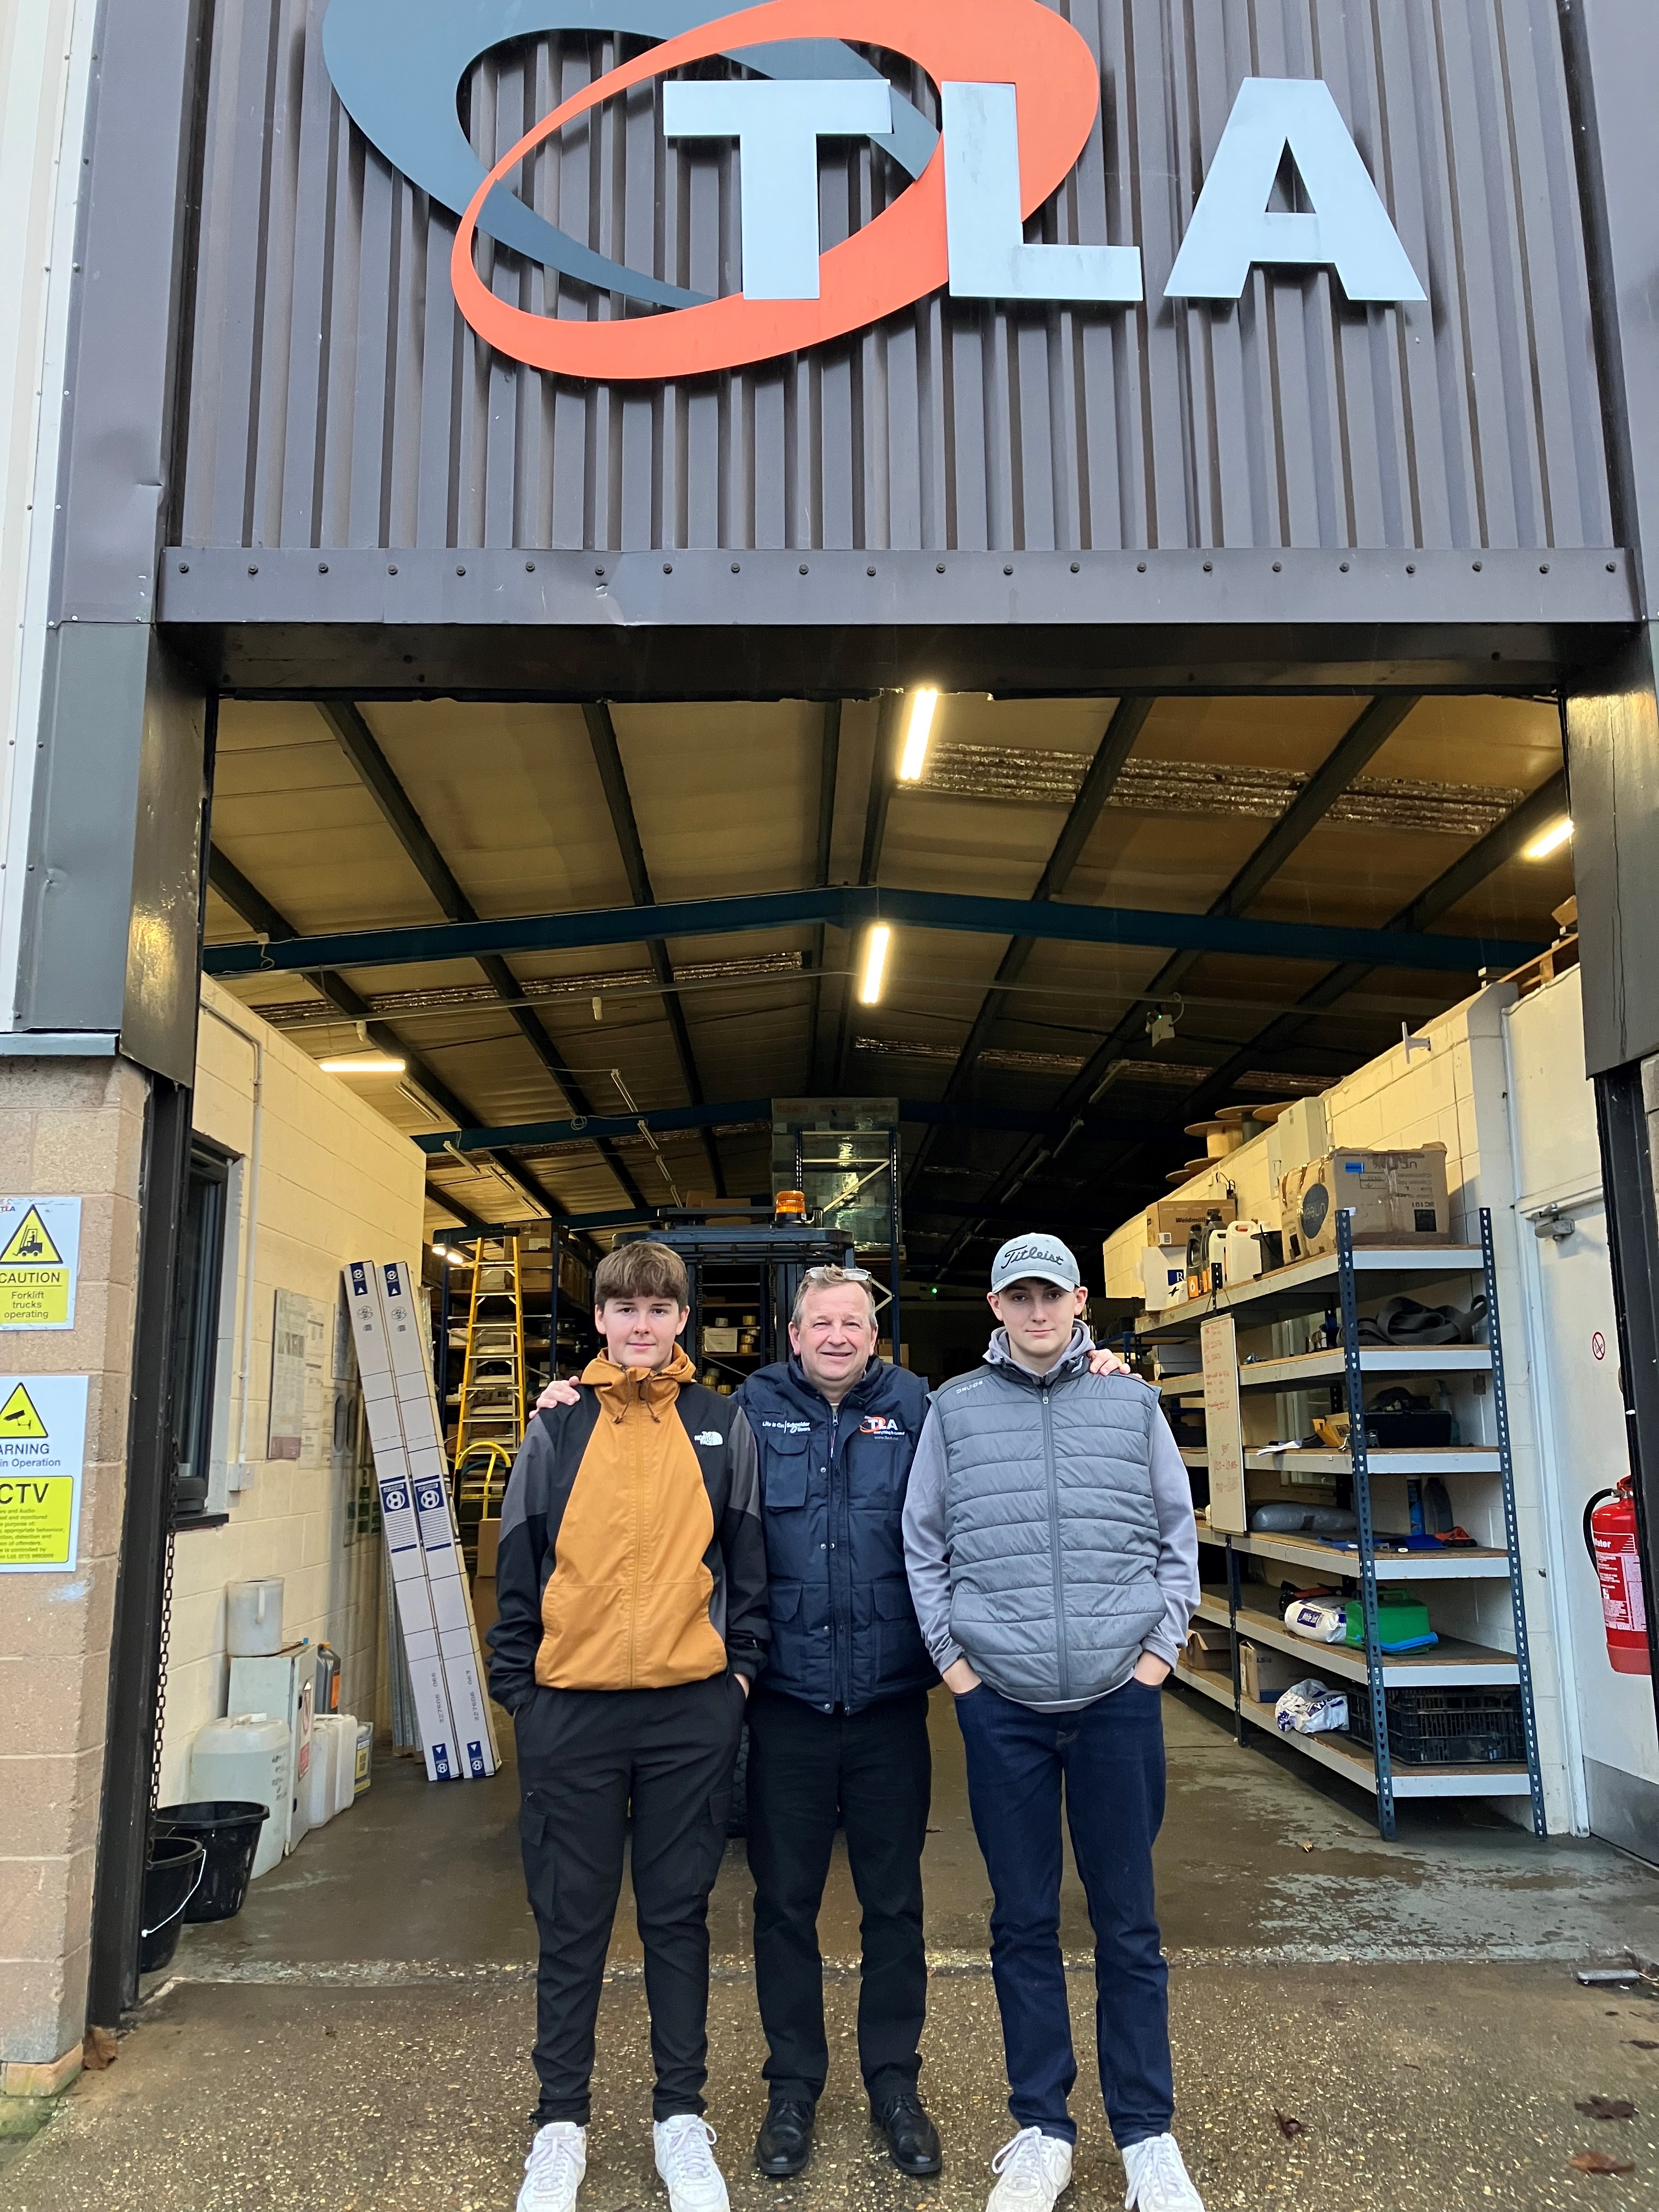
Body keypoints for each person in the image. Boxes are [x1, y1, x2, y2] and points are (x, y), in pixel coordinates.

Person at [540, 1262, 1128, 2182]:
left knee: (894, 1908)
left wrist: (1099, 1370)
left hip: (890, 1706)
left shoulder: (924, 1409)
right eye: (820, 1323)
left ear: (873, 1333)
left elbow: (1011, 1429)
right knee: (784, 1908)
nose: (837, 1337)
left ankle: (895, 2085)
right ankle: (792, 2090)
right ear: (793, 1333)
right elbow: (683, 1491)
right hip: (787, 1709)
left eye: (853, 1322)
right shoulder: (747, 1412)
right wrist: (573, 1392)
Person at [902, 1234, 1205, 2212]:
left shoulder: (1133, 1403)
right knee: (1023, 1922)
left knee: (1129, 1924)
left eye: (1052, 1296)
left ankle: (1147, 2137)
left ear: (1080, 1303)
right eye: (1018, 1297)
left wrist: (1157, 1658)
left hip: (1119, 1699)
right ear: (995, 1308)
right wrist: (957, 1670)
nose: (1037, 1313)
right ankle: (1043, 2129)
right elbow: (923, 1545)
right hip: (1003, 1707)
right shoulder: (953, 1410)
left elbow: (1176, 1533)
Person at [489, 1240, 769, 2212]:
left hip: (689, 1712)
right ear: (601, 1320)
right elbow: (519, 1554)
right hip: (572, 1711)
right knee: (571, 1920)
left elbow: (747, 1558)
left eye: (659, 1309)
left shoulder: (721, 1424)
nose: (642, 1325)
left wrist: (737, 1678)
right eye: (625, 1309)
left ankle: (679, 2118)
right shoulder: (559, 1425)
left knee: (677, 1917)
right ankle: (560, 2124)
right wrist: (522, 1689)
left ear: (682, 1320)